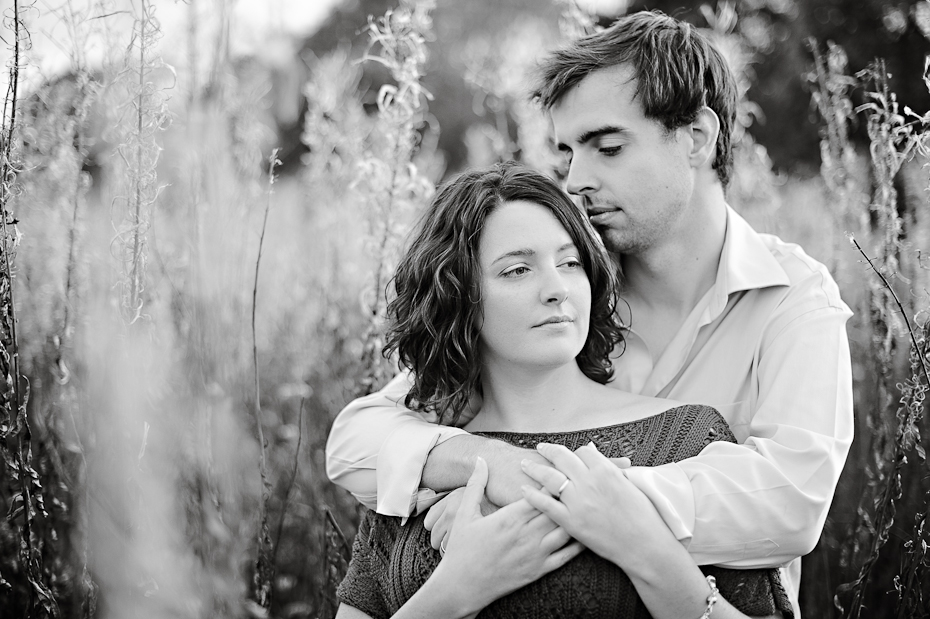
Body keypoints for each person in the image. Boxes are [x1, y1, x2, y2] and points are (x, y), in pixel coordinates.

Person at [327, 11, 854, 618]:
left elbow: (789, 507)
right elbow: (358, 440)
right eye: (568, 152)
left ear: (696, 138)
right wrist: (494, 465)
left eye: (607, 147)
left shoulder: (794, 302)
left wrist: (554, 505)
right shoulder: (569, 297)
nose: (577, 180)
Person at [335, 161, 792, 618]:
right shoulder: (419, 467)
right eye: (517, 270)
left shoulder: (686, 439)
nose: (557, 289)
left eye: (570, 263)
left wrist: (646, 550)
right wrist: (457, 590)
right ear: (458, 297)